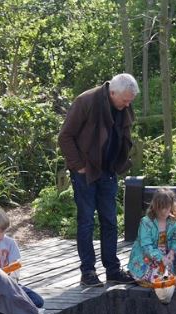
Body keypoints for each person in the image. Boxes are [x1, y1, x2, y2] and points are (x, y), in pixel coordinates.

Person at [58, 73, 139, 287]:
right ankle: (88, 272)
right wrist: (79, 166)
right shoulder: (85, 101)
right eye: (125, 100)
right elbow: (64, 136)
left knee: (110, 221)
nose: (128, 104)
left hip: (109, 170)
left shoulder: (124, 104)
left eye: (131, 100)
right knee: (86, 221)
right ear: (112, 92)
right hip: (86, 171)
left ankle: (112, 269)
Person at [127, 188, 176, 284]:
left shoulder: (173, 222)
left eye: (167, 207)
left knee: (167, 278)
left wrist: (172, 252)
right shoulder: (146, 222)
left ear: (172, 206)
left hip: (165, 255)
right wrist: (160, 258)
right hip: (146, 256)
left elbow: (175, 240)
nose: (163, 211)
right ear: (154, 206)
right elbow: (146, 246)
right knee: (156, 278)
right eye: (160, 208)